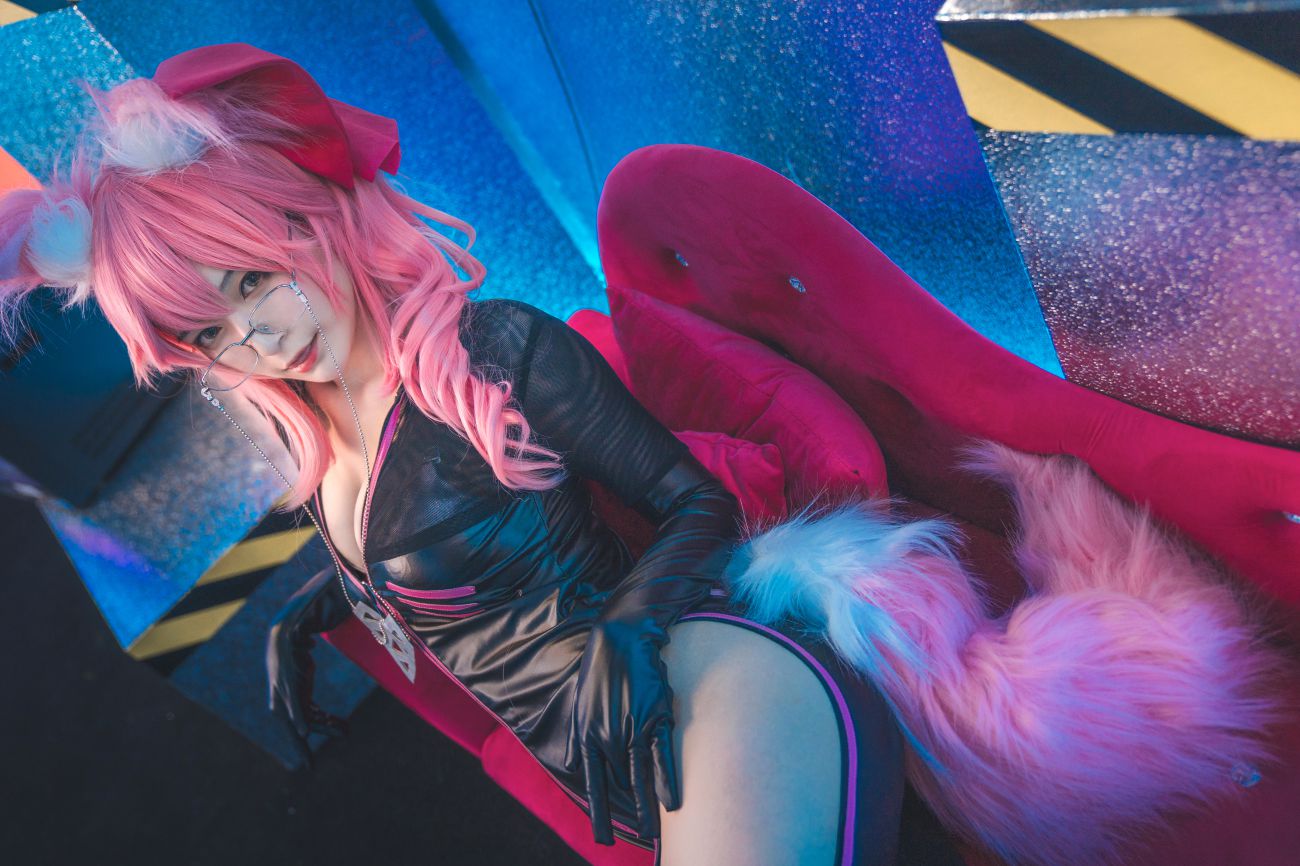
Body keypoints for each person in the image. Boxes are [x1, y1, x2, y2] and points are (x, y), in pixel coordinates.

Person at [2, 43, 1289, 866]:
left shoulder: (493, 348)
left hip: (707, 684)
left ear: (313, 218)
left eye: (254, 277)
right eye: (207, 324)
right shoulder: (315, 423)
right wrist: (313, 607)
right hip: (606, 752)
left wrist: (626, 629)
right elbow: (419, 553)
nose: (255, 331)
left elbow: (689, 503)